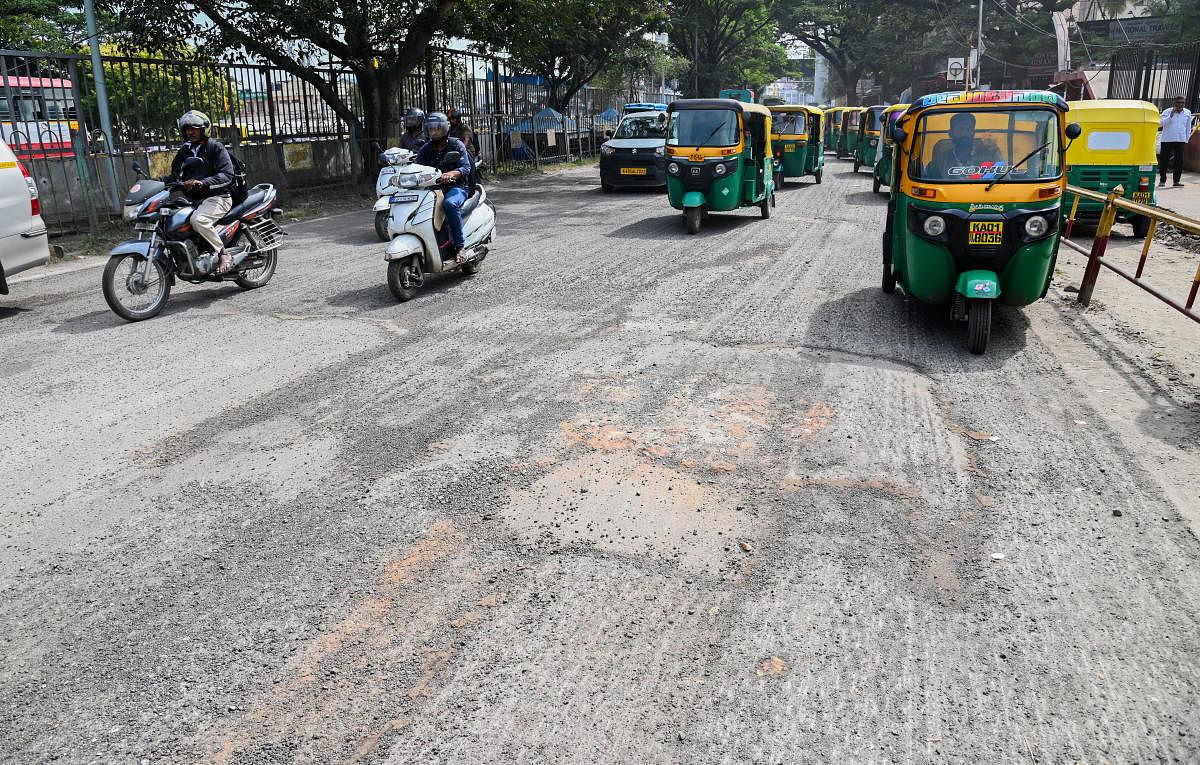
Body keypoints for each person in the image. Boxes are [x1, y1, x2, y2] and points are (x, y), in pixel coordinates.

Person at [164, 110, 236, 273]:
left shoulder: (214, 147)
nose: (190, 132)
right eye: (188, 129)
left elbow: (227, 174)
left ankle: (223, 253)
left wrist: (202, 182)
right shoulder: (184, 151)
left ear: (203, 129)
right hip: (194, 200)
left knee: (199, 220)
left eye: (194, 128)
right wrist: (153, 183)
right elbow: (175, 177)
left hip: (218, 197)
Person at [416, 112, 472, 262]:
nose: (433, 132)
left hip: (456, 187)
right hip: (433, 189)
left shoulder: (456, 145)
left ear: (445, 129)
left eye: (437, 129)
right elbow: (416, 167)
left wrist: (451, 174)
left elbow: (465, 168)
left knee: (450, 204)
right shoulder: (426, 148)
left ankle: (460, 247)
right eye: (430, 129)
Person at [927, 112, 1002, 179]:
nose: (965, 133)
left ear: (973, 133)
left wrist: (995, 151)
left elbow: (1003, 182)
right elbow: (926, 180)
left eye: (969, 129)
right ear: (951, 133)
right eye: (960, 129)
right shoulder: (940, 160)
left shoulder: (990, 157)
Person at [1158, 96, 1191, 188]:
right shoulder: (1167, 111)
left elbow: (1188, 128)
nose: (1180, 104)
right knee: (1164, 160)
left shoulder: (1187, 113)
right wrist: (1170, 116)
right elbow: (1160, 123)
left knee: (1179, 161)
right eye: (1178, 102)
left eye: (1182, 103)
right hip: (1167, 140)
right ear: (1174, 102)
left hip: (1180, 140)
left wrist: (1186, 139)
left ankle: (1176, 181)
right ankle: (1162, 180)